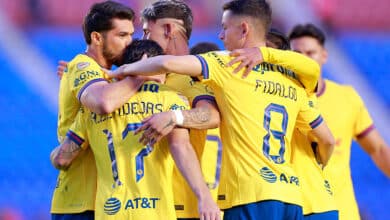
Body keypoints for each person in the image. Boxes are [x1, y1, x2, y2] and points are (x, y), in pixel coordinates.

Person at [105, 0, 336, 219]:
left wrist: (123, 71)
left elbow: (203, 105)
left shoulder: (226, 65)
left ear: (244, 29)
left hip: (246, 194)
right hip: (291, 196)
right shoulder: (293, 80)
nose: (221, 35)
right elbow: (327, 138)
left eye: (225, 27)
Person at [52, 39, 221, 220]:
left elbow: (62, 159)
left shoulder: (92, 109)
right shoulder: (171, 100)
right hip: (156, 212)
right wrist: (204, 197)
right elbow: (181, 147)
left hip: (111, 212)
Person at [288, 23, 390, 220]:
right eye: (297, 54)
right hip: (296, 211)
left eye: (310, 53)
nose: (304, 60)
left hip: (342, 211)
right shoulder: (279, 99)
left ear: (324, 56)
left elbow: (378, 149)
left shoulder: (346, 97)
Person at [51, 1, 142, 219]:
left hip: (105, 201)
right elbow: (104, 103)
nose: (129, 43)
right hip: (80, 202)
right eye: (121, 35)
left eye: (131, 35)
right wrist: (140, 76)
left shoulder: (106, 74)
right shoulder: (83, 66)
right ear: (97, 38)